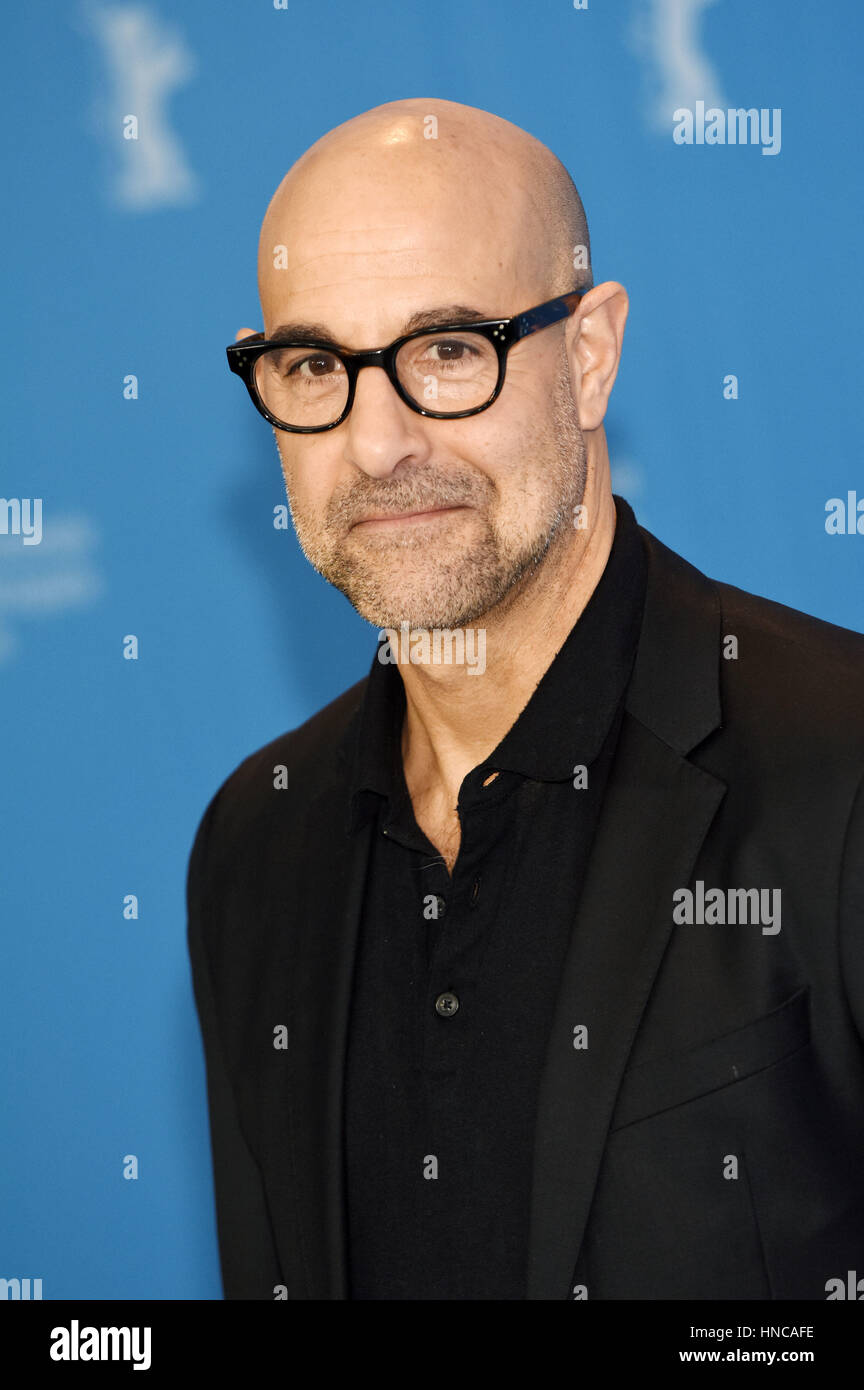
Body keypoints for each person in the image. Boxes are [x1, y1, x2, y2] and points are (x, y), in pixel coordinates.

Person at [187, 97, 864, 1300]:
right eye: (314, 366)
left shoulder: (843, 769)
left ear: (591, 357)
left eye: (449, 349)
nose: (380, 442)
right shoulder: (255, 841)